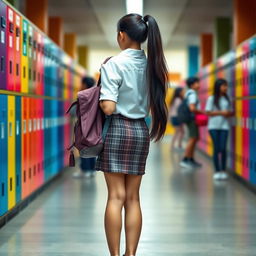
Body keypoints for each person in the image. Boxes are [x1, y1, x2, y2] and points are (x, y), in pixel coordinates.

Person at [94, 14, 168, 256]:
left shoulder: (113, 64)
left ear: (121, 35)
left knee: (116, 197)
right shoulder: (153, 64)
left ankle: (115, 255)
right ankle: (131, 254)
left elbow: (108, 107)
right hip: (139, 130)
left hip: (117, 128)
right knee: (133, 198)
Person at [205, 78, 233, 180]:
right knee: (217, 148)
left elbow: (230, 112)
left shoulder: (227, 98)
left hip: (224, 126)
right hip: (213, 127)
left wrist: (228, 113)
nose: (226, 88)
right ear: (218, 87)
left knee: (223, 148)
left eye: (226, 85)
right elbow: (208, 112)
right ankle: (217, 171)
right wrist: (222, 112)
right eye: (224, 85)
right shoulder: (211, 99)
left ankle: (223, 171)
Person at [72, 76, 97, 179]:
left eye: (81, 83)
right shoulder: (95, 95)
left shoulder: (83, 95)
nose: (80, 85)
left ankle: (85, 170)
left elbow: (76, 111)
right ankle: (91, 169)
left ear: (85, 84)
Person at [180, 77, 204, 169]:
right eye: (196, 83)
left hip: (190, 119)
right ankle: (186, 159)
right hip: (192, 119)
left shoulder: (189, 93)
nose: (198, 84)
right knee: (192, 138)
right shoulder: (192, 94)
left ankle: (190, 159)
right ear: (191, 85)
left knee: (194, 138)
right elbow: (192, 108)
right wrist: (203, 112)